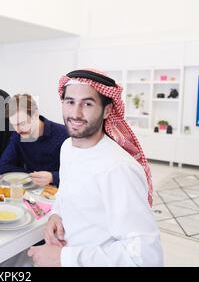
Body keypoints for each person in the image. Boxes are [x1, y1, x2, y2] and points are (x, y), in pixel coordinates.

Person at [28, 69, 163, 267]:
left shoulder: (118, 168)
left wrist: (64, 258)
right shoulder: (68, 147)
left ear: (107, 110)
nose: (75, 113)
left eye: (88, 103)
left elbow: (146, 257)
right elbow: (67, 193)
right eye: (70, 102)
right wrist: (57, 214)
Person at [0, 94, 69, 187]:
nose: (18, 130)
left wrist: (52, 177)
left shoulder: (64, 134)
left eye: (22, 123)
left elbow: (78, 174)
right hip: (32, 192)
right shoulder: (18, 135)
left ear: (35, 115)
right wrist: (32, 175)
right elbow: (4, 166)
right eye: (14, 125)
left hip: (58, 193)